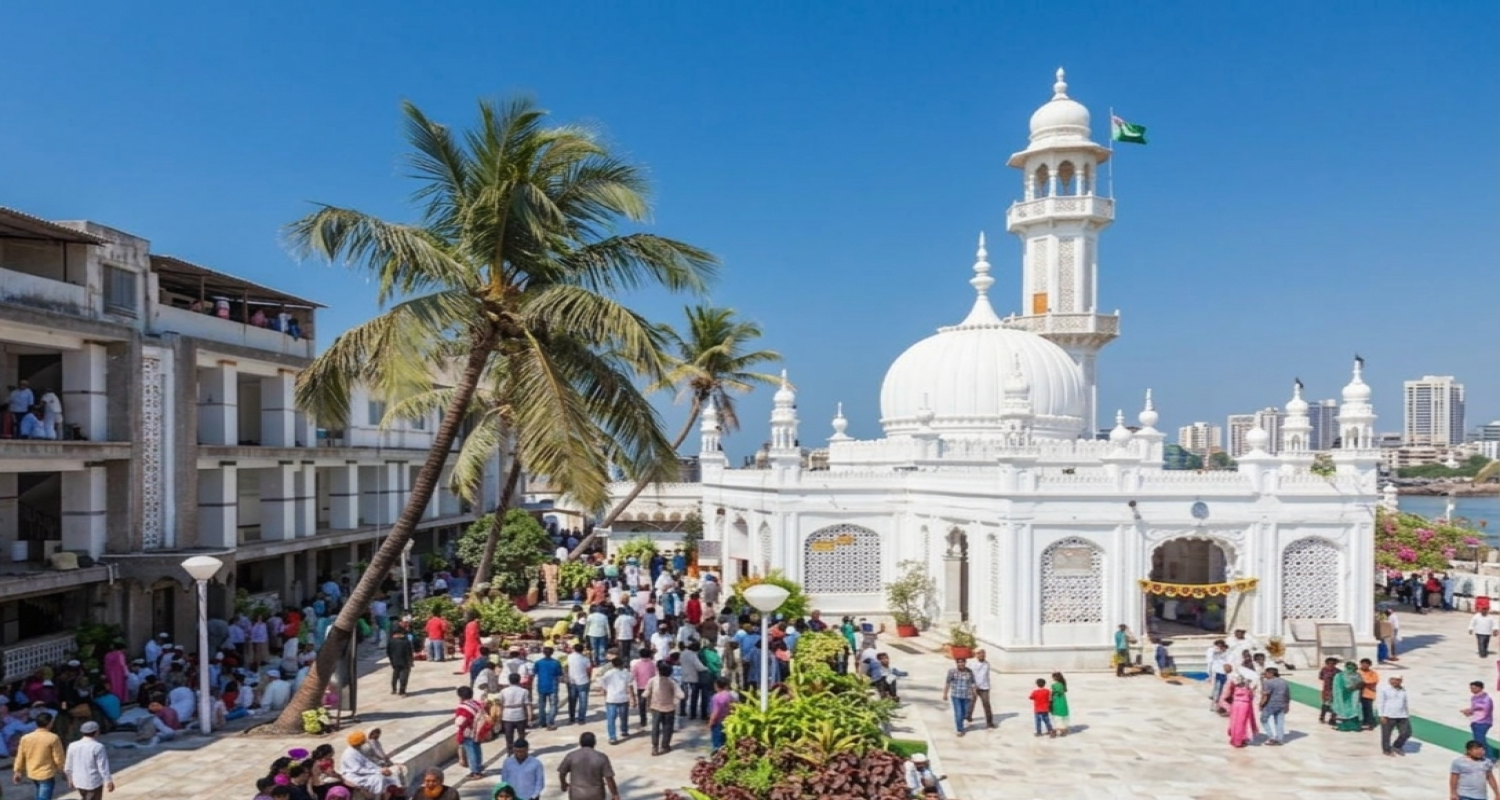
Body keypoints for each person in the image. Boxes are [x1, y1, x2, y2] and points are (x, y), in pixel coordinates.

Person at [13, 710, 65, 800]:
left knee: (39, 793)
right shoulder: (53, 737)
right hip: (46, 773)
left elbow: (20, 756)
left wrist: (17, 771)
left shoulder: (26, 738)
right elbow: (58, 757)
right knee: (43, 797)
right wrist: (63, 770)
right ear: (49, 723)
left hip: (32, 772)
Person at [557, 732, 620, 800]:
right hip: (596, 794)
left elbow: (562, 772)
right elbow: (609, 778)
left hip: (576, 794)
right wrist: (615, 794)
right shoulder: (601, 757)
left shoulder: (571, 756)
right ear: (594, 743)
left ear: (580, 743)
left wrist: (563, 784)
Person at [338, 731, 402, 797]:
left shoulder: (358, 750)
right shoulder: (349, 754)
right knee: (379, 778)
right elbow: (358, 770)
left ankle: (395, 792)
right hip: (355, 776)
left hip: (365, 773)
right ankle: (378, 796)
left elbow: (368, 763)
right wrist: (378, 771)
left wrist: (381, 769)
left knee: (391, 774)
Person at [62, 719, 112, 800]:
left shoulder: (72, 745)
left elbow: (68, 766)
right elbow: (103, 767)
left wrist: (70, 779)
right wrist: (108, 780)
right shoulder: (98, 746)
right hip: (93, 782)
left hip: (78, 781)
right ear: (96, 732)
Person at [644, 660, 684, 756]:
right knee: (667, 728)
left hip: (655, 707)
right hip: (669, 708)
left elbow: (645, 694)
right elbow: (681, 695)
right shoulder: (672, 682)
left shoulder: (652, 680)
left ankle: (655, 747)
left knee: (655, 728)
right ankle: (665, 746)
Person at [1218, 675, 1259, 748]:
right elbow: (1251, 697)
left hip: (1235, 704)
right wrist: (1253, 689)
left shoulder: (1235, 688)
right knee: (1242, 723)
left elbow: (1227, 695)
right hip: (1244, 706)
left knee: (1234, 722)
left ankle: (1234, 739)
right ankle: (1239, 741)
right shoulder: (1247, 689)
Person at [454, 686, 486, 780]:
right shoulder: (476, 703)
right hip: (478, 731)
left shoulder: (463, 707)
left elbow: (460, 722)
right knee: (477, 750)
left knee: (471, 752)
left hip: (468, 733)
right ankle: (479, 767)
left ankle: (475, 772)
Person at [599, 657, 632, 745]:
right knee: (624, 716)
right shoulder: (626, 673)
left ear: (613, 664)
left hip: (611, 698)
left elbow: (601, 682)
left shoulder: (609, 673)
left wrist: (607, 689)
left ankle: (612, 737)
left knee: (611, 718)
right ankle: (624, 730)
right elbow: (630, 684)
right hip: (623, 698)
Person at [1376, 675, 1411, 756]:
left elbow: (1405, 702)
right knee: (1386, 734)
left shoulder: (1403, 690)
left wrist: (1407, 714)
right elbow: (1380, 702)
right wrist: (1381, 715)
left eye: (1397, 680)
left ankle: (1397, 746)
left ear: (1400, 681)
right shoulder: (1384, 689)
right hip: (1388, 715)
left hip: (1402, 715)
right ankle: (1386, 750)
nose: (1394, 681)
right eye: (1392, 679)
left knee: (1406, 733)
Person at [497, 673, 532, 753]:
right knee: (521, 736)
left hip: (507, 716)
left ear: (509, 681)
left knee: (509, 737)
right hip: (520, 715)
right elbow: (527, 705)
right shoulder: (524, 691)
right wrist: (529, 717)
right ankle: (522, 751)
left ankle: (510, 752)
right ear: (519, 680)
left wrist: (499, 717)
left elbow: (500, 705)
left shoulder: (503, 691)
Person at [941, 657, 975, 737]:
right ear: (957, 663)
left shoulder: (969, 672)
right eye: (959, 662)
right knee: (958, 713)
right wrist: (945, 694)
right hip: (956, 695)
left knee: (965, 713)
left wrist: (974, 693)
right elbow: (948, 683)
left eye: (962, 662)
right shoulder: (952, 672)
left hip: (967, 696)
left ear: (965, 663)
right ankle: (960, 729)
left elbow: (973, 683)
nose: (961, 664)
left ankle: (961, 722)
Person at [533, 646, 564, 730]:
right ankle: (550, 721)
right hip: (552, 686)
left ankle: (542, 722)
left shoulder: (538, 663)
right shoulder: (556, 663)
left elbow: (534, 672)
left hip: (541, 686)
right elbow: (560, 674)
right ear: (552, 653)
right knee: (553, 704)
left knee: (541, 705)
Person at [1464, 680, 1496, 759]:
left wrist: (1472, 711)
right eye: (1471, 688)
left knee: (1480, 741)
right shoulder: (1474, 698)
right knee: (1478, 740)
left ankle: (1490, 757)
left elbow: (1486, 711)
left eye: (1474, 688)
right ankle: (1485, 755)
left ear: (1480, 688)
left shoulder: (1486, 699)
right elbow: (1474, 709)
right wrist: (1469, 712)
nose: (1472, 690)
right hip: (1475, 721)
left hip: (1483, 722)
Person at [1259, 666, 1290, 746]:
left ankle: (1271, 737)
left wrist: (1261, 704)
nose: (1265, 675)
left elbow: (1265, 695)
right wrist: (1287, 705)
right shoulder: (1284, 681)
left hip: (1271, 704)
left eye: (1266, 673)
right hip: (1282, 704)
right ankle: (1280, 739)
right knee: (1279, 722)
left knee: (1263, 719)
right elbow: (1287, 695)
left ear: (1271, 673)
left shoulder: (1268, 682)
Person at [1331, 661, 1364, 732]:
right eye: (1349, 667)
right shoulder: (1339, 675)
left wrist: (1353, 687)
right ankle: (1344, 727)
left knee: (1354, 710)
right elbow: (1336, 687)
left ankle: (1354, 727)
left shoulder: (1357, 675)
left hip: (1354, 696)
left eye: (1352, 666)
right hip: (1342, 696)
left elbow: (1361, 683)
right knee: (1343, 710)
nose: (1351, 668)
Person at [965, 649, 994, 729]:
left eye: (983, 654)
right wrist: (971, 684)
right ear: (977, 655)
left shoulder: (987, 664)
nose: (982, 656)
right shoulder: (972, 663)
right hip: (973, 687)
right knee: (971, 702)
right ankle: (968, 716)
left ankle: (989, 722)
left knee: (986, 704)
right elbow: (968, 674)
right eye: (980, 654)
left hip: (984, 687)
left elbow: (985, 676)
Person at [566, 643, 593, 725]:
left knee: (572, 701)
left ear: (574, 649)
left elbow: (566, 666)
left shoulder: (569, 657)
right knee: (583, 701)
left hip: (572, 681)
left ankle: (572, 718)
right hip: (583, 680)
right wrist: (589, 679)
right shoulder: (585, 659)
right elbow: (589, 670)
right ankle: (581, 719)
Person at [706, 676, 736, 751]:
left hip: (717, 723)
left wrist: (710, 722)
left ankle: (717, 758)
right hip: (727, 721)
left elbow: (715, 712)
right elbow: (734, 708)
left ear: (716, 685)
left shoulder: (716, 697)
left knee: (717, 744)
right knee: (724, 742)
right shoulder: (730, 695)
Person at [386, 628, 414, 696]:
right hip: (405, 661)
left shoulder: (391, 641)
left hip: (394, 661)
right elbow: (409, 652)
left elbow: (388, 652)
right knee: (403, 677)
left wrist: (392, 660)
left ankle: (394, 690)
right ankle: (402, 691)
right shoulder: (406, 642)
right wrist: (410, 661)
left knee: (395, 675)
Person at [1317, 656, 1341, 726]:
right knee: (1325, 704)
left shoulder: (1338, 671)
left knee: (1334, 705)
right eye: (1329, 663)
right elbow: (1321, 677)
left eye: (1333, 663)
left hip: (1335, 691)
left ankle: (1332, 719)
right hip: (1326, 691)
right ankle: (1322, 717)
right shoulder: (1324, 669)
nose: (1331, 665)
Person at [1357, 658, 1380, 730]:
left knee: (1369, 709)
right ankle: (1362, 722)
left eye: (1366, 664)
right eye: (1363, 663)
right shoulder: (1357, 672)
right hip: (1358, 693)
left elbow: (1374, 680)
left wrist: (1364, 682)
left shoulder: (1373, 673)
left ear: (1369, 665)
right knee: (1359, 709)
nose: (1364, 665)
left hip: (1369, 693)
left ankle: (1371, 723)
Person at [1049, 672, 1071, 736]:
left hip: (1057, 702)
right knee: (1063, 715)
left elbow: (1052, 694)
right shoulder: (1063, 684)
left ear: (1055, 678)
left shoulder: (1054, 685)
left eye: (1052, 677)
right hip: (1063, 702)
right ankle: (1063, 729)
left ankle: (1057, 730)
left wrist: (1050, 701)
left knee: (1057, 716)